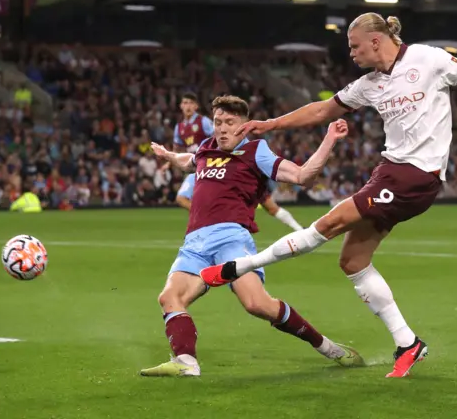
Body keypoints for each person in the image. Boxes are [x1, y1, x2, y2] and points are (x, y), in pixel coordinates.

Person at [198, 13, 457, 378]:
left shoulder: (427, 58)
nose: (350, 53)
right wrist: (270, 124)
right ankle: (408, 343)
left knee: (330, 222)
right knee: (353, 261)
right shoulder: (368, 84)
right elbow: (322, 110)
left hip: (416, 175)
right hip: (389, 171)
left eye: (354, 46)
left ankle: (236, 268)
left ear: (374, 41)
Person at [140, 95, 363, 377]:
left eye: (230, 123)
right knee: (169, 297)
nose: (221, 129)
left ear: (244, 126)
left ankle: (329, 348)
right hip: (194, 243)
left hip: (231, 237)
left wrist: (329, 139)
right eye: (218, 122)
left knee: (256, 304)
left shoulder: (256, 150)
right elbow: (190, 161)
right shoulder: (206, 148)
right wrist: (169, 156)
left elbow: (302, 175)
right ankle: (186, 363)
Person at [177, 173, 303, 231]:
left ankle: (299, 230)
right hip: (208, 229)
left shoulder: (236, 173)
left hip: (233, 226)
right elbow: (181, 199)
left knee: (272, 208)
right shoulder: (197, 175)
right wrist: (204, 212)